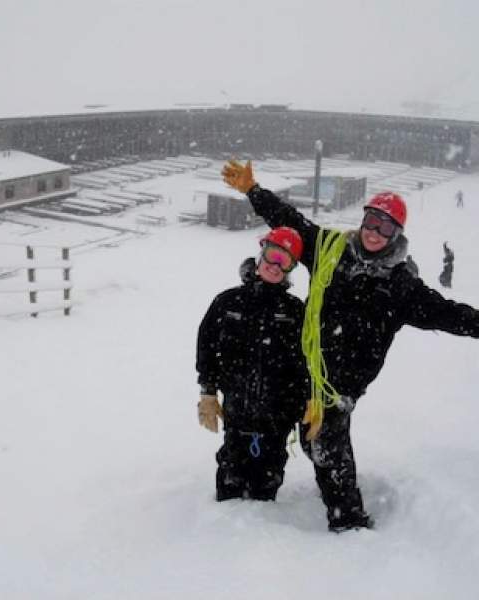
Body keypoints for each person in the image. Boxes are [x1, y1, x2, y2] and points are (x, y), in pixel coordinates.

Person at [221, 159, 479, 532]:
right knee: (307, 438)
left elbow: (448, 314)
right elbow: (289, 220)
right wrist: (253, 191)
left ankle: (349, 521)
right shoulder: (329, 249)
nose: (375, 230)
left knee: (327, 442)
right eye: (371, 220)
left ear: (396, 232)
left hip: (341, 383)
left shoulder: (400, 287)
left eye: (385, 225)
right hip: (305, 367)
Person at [197, 227, 310, 504]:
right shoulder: (228, 302)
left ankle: (260, 528)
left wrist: (308, 398)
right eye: (272, 256)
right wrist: (208, 392)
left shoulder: (295, 311)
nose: (275, 266)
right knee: (231, 474)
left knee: (266, 481)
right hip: (237, 408)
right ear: (260, 255)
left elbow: (305, 362)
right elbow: (207, 348)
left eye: (285, 262)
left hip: (278, 414)